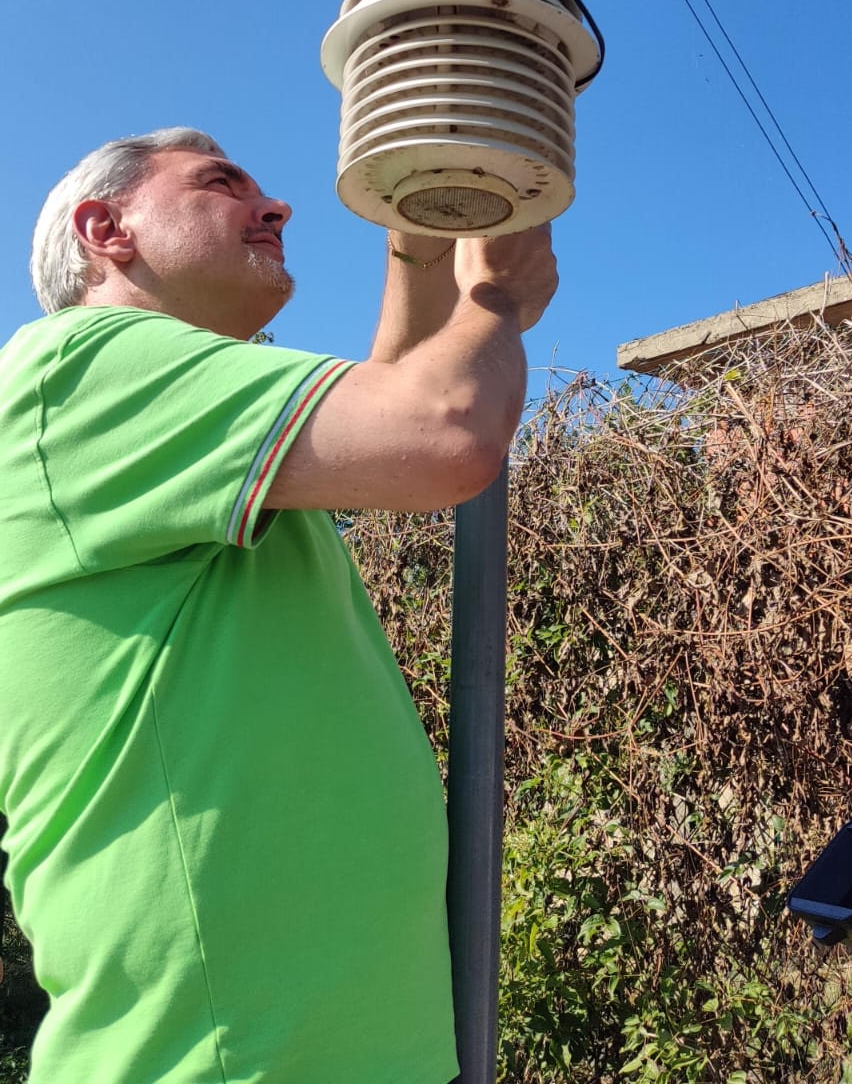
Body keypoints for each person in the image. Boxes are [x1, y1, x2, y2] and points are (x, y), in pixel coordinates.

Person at [0, 126, 558, 1084]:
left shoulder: (184, 446)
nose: (276, 205)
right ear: (107, 229)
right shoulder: (83, 367)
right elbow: (439, 430)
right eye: (221, 183)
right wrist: (496, 295)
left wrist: (421, 229)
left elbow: (391, 391)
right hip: (225, 1061)